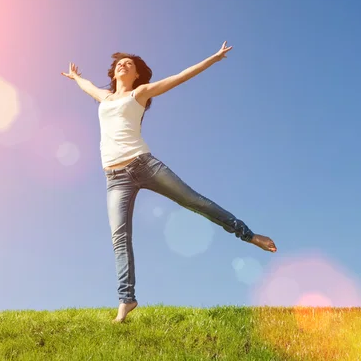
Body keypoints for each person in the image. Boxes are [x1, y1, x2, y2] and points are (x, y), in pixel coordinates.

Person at [61, 42, 277, 323]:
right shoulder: (104, 97)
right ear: (114, 73)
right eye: (119, 64)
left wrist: (212, 58)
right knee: (120, 238)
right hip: (115, 179)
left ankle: (249, 235)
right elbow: (87, 86)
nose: (123, 65)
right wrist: (76, 77)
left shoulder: (140, 93)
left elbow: (180, 77)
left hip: (144, 165)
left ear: (137, 74)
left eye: (129, 64)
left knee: (194, 201)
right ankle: (127, 301)